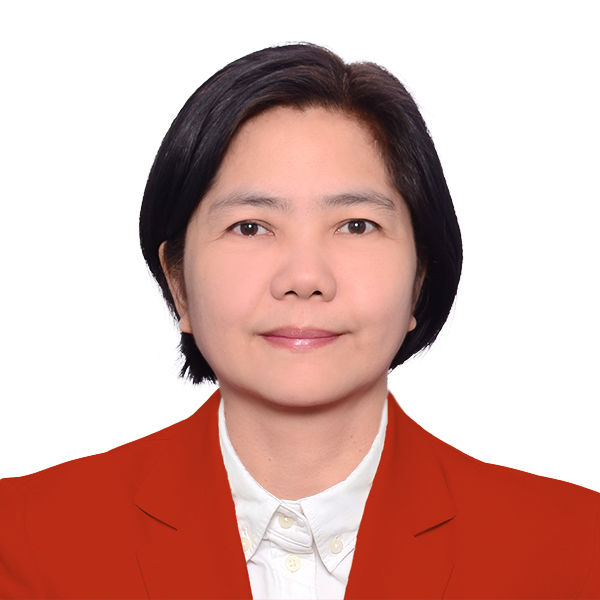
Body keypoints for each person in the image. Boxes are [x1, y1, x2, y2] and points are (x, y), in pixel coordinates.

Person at [0, 42, 598, 600]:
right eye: (250, 227)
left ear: (420, 276)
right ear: (178, 282)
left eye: (356, 225)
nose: (305, 277)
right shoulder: (24, 541)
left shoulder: (574, 550)